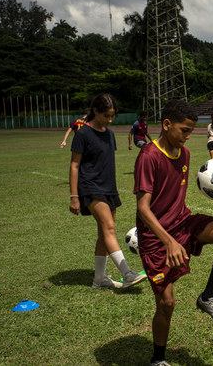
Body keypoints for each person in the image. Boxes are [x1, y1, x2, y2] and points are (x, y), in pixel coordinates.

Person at [133, 99, 213, 366]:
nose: (187, 136)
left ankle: (208, 297)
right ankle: (158, 360)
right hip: (155, 238)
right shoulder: (148, 155)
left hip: (183, 223)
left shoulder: (185, 154)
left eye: (191, 131)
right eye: (184, 130)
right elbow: (143, 208)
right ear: (167, 124)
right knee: (166, 303)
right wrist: (169, 241)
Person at [69, 93, 146, 289]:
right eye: (106, 116)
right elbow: (74, 165)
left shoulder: (110, 134)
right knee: (109, 228)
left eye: (112, 116)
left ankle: (99, 279)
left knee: (104, 233)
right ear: (95, 111)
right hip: (90, 187)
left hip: (109, 188)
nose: (110, 120)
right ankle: (127, 273)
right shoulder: (83, 134)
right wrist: (74, 197)